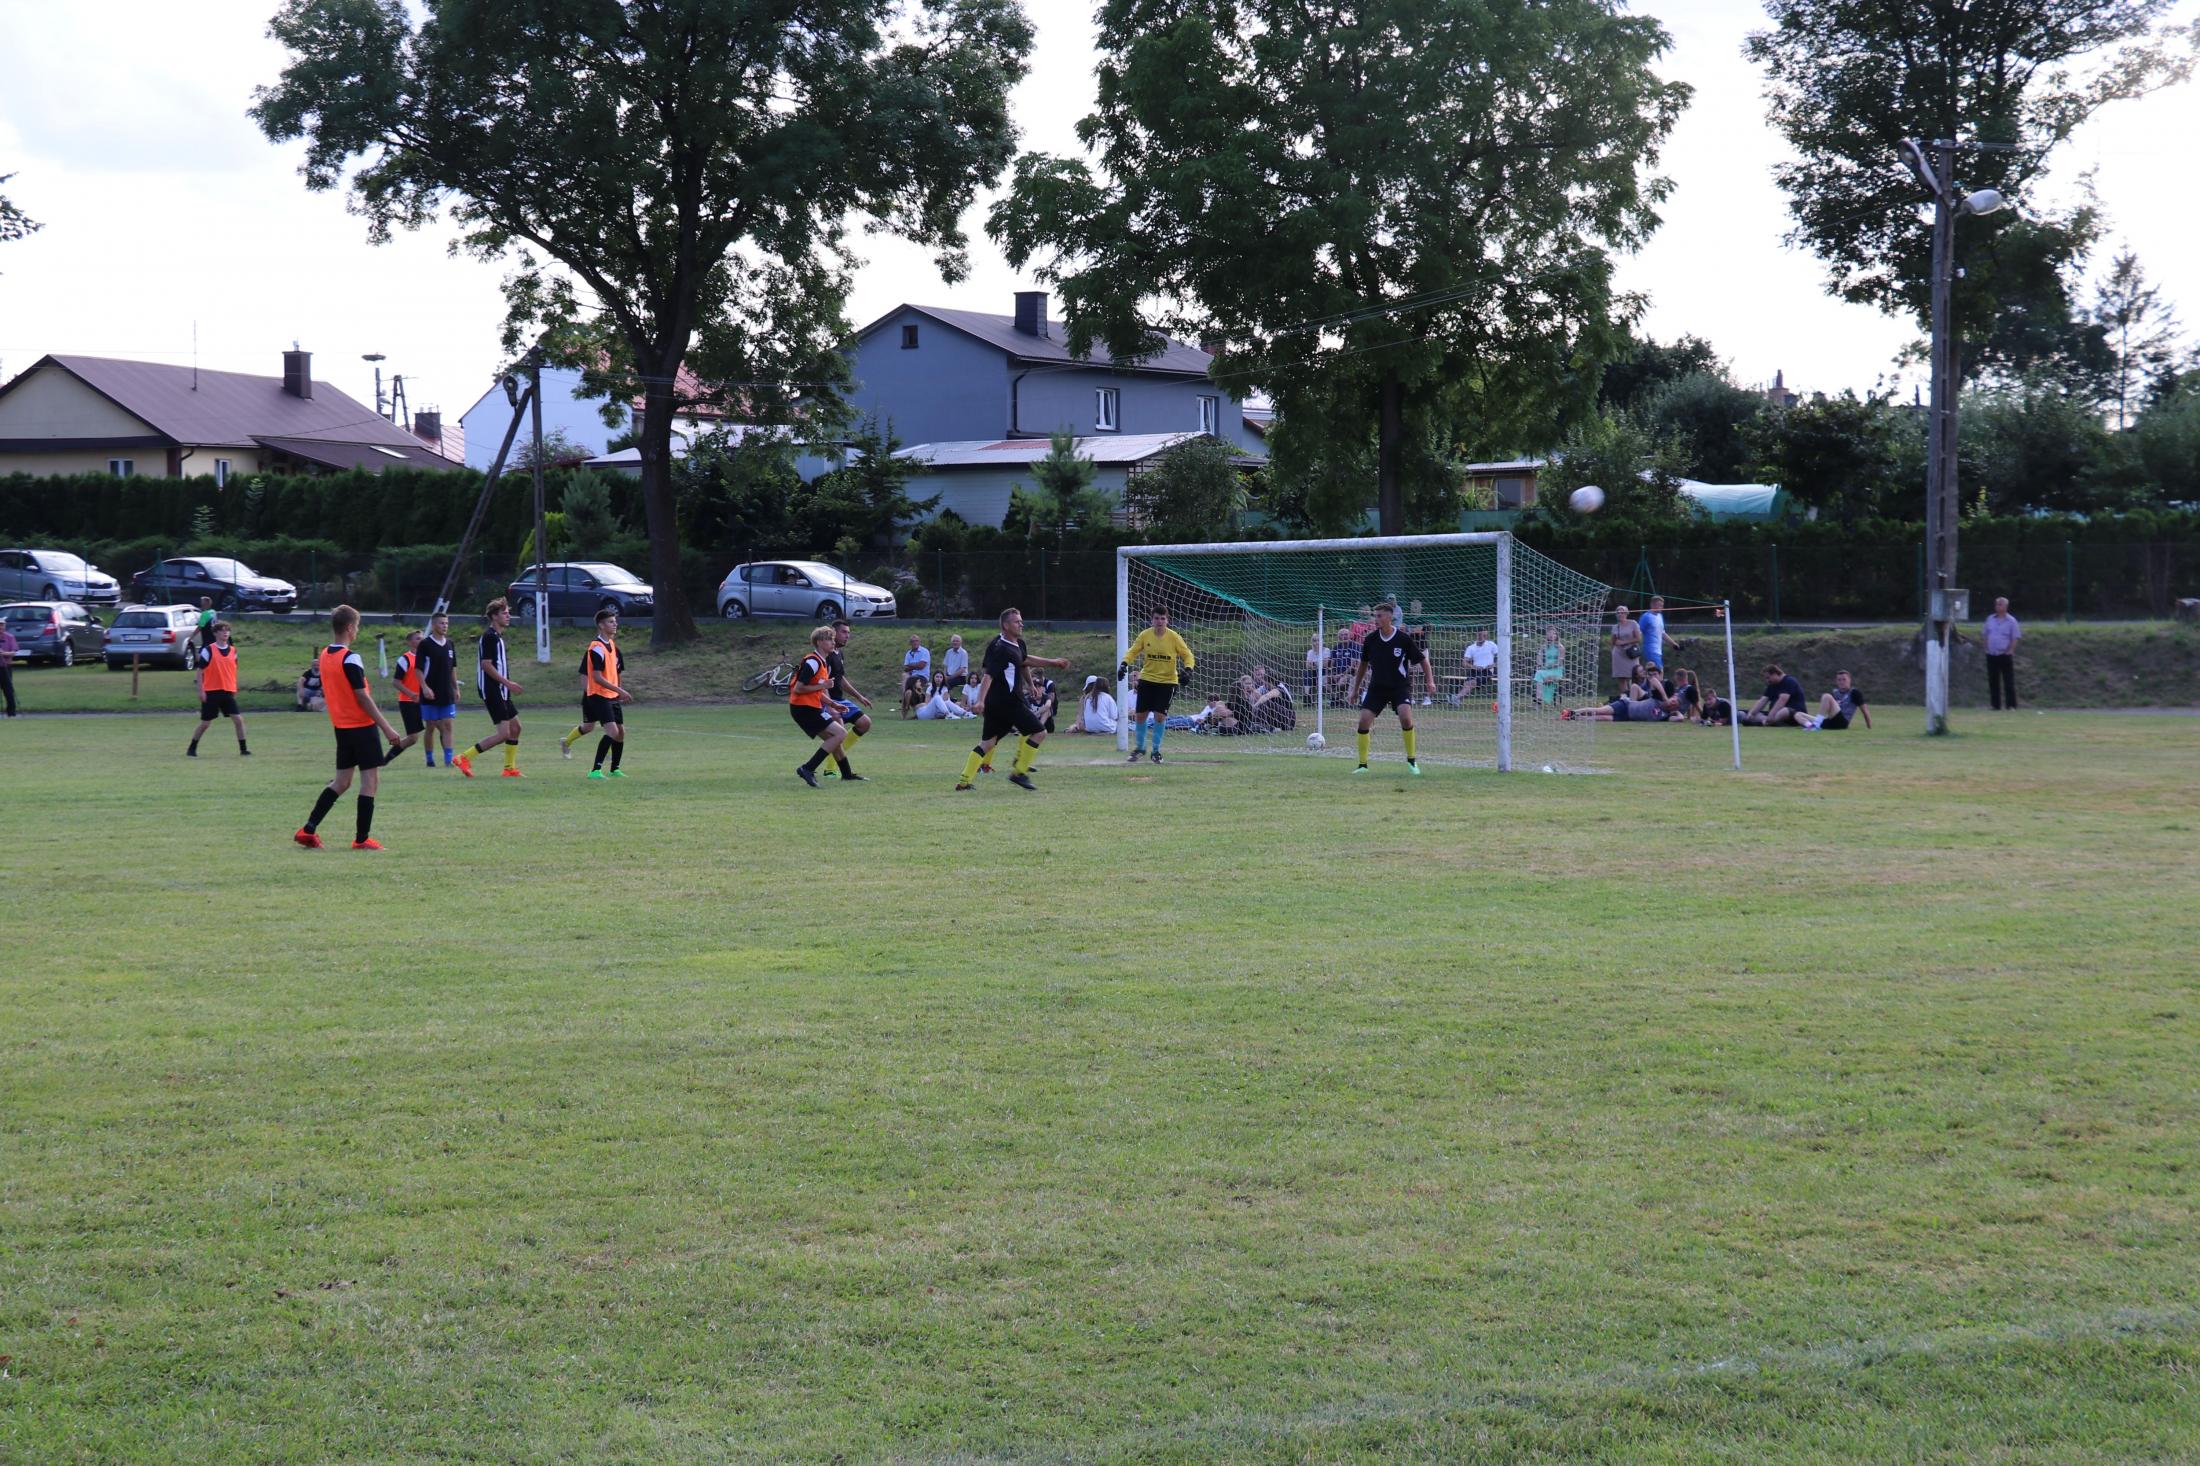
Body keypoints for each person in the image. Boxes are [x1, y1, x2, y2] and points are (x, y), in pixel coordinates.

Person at [293, 605, 406, 851]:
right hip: (362, 727)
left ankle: (308, 830)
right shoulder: (350, 658)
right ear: (349, 627)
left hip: (342, 727)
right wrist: (387, 727)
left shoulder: (325, 655)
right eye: (357, 626)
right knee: (370, 782)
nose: (357, 631)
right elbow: (362, 696)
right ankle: (362, 839)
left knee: (342, 781)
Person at [957, 607, 1071, 791]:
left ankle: (964, 782)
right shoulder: (999, 648)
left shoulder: (1018, 643)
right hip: (1008, 701)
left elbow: (1024, 661)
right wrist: (980, 700)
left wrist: (1036, 679)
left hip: (999, 702)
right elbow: (988, 675)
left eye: (1021, 621)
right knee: (1039, 732)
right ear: (1006, 625)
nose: (1021, 624)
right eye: (1017, 622)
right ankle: (1019, 772)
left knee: (988, 743)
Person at [1349, 601, 1435, 774]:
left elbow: (1423, 661)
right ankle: (1362, 766)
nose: (1375, 619)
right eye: (1375, 616)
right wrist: (1355, 689)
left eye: (1379, 616)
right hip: (1377, 688)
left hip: (1399, 687)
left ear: (1389, 617)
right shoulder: (1371, 640)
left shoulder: (1403, 639)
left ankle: (1412, 762)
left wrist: (1430, 681)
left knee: (1406, 717)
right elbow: (1363, 665)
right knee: (1364, 721)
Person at [455, 598, 525, 778]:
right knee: (504, 734)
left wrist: (507, 685)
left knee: (516, 728)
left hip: (502, 691)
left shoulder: (497, 637)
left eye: (508, 613)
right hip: (492, 690)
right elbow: (486, 665)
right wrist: (508, 683)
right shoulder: (489, 637)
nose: (508, 616)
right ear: (494, 616)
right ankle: (464, 757)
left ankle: (509, 769)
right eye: (504, 613)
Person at [560, 608, 633, 777]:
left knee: (618, 732)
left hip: (611, 695)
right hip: (597, 695)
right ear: (601, 625)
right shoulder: (595, 648)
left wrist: (618, 692)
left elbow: (616, 673)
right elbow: (594, 676)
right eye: (610, 622)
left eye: (615, 621)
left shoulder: (613, 647)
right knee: (611, 731)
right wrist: (618, 690)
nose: (615, 624)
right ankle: (595, 771)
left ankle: (615, 769)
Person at [1120, 608, 1197, 764]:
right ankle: (1140, 748)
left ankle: (1156, 751)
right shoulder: (1145, 635)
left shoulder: (1174, 637)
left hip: (1168, 682)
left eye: (1162, 618)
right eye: (1156, 618)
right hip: (1147, 679)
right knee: (1140, 715)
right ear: (1152, 620)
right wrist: (1124, 664)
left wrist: (1188, 669)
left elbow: (1188, 655)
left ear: (1167, 620)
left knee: (1160, 717)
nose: (1159, 621)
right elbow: (1133, 651)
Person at [790, 625, 861, 786]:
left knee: (833, 739)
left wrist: (833, 704)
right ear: (819, 642)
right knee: (840, 734)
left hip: (808, 706)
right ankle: (807, 768)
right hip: (804, 708)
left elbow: (815, 690)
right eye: (829, 639)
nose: (833, 642)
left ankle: (847, 774)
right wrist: (823, 686)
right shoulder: (813, 662)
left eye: (833, 639)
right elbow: (799, 688)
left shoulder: (821, 662)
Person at [186, 620, 251, 757]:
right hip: (211, 691)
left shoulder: (233, 651)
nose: (225, 633)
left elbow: (232, 670)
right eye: (222, 630)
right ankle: (192, 748)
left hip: (227, 691)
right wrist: (201, 690)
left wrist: (234, 688)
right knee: (205, 723)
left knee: (238, 720)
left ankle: (243, 749)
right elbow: (200, 671)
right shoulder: (208, 650)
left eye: (227, 630)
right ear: (215, 633)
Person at [820, 620, 873, 775]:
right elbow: (822, 682)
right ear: (833, 633)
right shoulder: (826, 656)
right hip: (826, 700)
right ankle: (830, 769)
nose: (847, 636)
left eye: (849, 633)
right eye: (844, 632)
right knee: (839, 734)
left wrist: (859, 696)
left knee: (864, 723)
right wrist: (830, 705)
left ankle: (832, 764)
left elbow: (840, 679)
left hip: (839, 699)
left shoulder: (839, 653)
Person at [414, 611, 462, 767]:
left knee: (448, 725)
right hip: (430, 693)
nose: (445, 626)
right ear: (434, 625)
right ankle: (429, 759)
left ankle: (449, 760)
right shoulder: (425, 644)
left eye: (446, 623)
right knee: (431, 726)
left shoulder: (450, 644)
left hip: (446, 692)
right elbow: (418, 669)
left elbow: (452, 668)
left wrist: (456, 688)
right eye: (442, 623)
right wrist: (424, 687)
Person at [387, 629, 430, 766]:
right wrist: (411, 694)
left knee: (439, 725)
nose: (421, 640)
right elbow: (396, 682)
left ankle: (437, 760)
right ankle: (385, 760)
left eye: (422, 638)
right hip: (408, 702)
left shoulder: (427, 658)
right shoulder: (405, 659)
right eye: (418, 638)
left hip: (426, 700)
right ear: (409, 643)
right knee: (412, 738)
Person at [1983, 596, 2022, 710]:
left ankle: (2011, 705)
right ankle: (1995, 705)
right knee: (1993, 681)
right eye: (1996, 604)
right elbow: (1985, 634)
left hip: (2005, 655)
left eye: (2000, 604)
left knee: (2008, 681)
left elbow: (2015, 637)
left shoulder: (2011, 621)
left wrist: (2010, 650)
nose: (1998, 606)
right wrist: (1986, 648)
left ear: (2006, 606)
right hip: (1992, 654)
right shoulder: (1990, 619)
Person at [1741, 662, 1807, 726]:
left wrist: (1770, 716)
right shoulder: (1772, 685)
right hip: (1775, 715)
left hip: (1794, 714)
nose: (1767, 680)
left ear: (1775, 674)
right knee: (1756, 715)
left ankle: (1764, 722)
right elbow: (1763, 700)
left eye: (1768, 677)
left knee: (1784, 711)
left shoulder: (1789, 681)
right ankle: (1766, 722)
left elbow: (1782, 701)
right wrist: (1751, 714)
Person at [1459, 629, 1498, 701]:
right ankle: (1457, 699)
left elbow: (1501, 658)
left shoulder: (1491, 644)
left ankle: (1456, 698)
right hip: (1475, 670)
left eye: (1485, 635)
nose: (1483, 637)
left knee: (1471, 683)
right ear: (1477, 635)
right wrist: (1474, 667)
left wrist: (1493, 665)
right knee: (1467, 684)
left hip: (1487, 670)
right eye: (1481, 635)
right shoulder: (1471, 647)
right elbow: (1464, 663)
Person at [1531, 626, 1564, 708]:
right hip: (1545, 670)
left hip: (1556, 670)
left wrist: (1548, 667)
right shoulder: (1544, 646)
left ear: (1556, 635)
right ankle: (1539, 701)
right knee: (1539, 674)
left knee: (1538, 675)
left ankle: (1538, 702)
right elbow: (1539, 657)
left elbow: (1559, 663)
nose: (1551, 635)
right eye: (1549, 633)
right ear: (1546, 635)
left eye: (1553, 633)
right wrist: (1540, 664)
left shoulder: (1560, 647)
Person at [1609, 604, 1642, 685]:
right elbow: (1613, 641)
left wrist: (1624, 642)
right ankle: (1624, 693)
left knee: (1635, 675)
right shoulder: (1615, 627)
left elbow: (1638, 638)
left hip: (1631, 653)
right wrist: (1612, 650)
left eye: (1622, 612)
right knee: (1621, 678)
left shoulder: (1633, 623)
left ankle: (1634, 691)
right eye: (1618, 613)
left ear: (1626, 614)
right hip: (1619, 654)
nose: (1620, 614)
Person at [900, 634, 932, 716]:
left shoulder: (925, 651)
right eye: (913, 641)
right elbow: (905, 668)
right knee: (904, 675)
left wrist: (911, 666)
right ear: (910, 643)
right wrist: (915, 665)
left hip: (922, 677)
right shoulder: (908, 653)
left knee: (909, 681)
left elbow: (921, 666)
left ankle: (904, 704)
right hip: (911, 677)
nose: (915, 642)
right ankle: (905, 701)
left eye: (916, 641)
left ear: (919, 642)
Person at [1637, 595, 1667, 670]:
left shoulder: (1660, 616)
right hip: (1650, 650)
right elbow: (1638, 632)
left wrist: (1674, 644)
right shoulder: (1646, 617)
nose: (1661, 607)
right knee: (1658, 671)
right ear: (1652, 605)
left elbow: (1663, 633)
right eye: (1659, 605)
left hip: (1659, 650)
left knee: (1658, 672)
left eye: (1662, 605)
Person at [1303, 633, 1329, 702]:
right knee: (1307, 673)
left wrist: (1314, 663)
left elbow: (1325, 664)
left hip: (1324, 672)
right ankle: (1307, 696)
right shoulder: (1310, 652)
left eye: (1318, 640)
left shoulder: (1326, 650)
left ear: (1322, 641)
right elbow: (1307, 665)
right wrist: (1316, 664)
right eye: (1314, 640)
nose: (1317, 642)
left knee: (1320, 673)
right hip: (1313, 672)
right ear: (1312, 642)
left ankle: (1318, 699)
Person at [0, 618, 17, 718]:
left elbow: (13, 652)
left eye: (2, 625)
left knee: (8, 690)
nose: (0, 627)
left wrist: (3, 653)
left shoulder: (10, 637)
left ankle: (11, 712)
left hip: (5, 667)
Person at [193, 597, 216, 662]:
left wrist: (191, 637)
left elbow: (199, 627)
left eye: (202, 602)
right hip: (214, 638)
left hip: (207, 639)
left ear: (206, 604)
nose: (201, 604)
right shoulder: (213, 612)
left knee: (201, 657)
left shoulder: (205, 614)